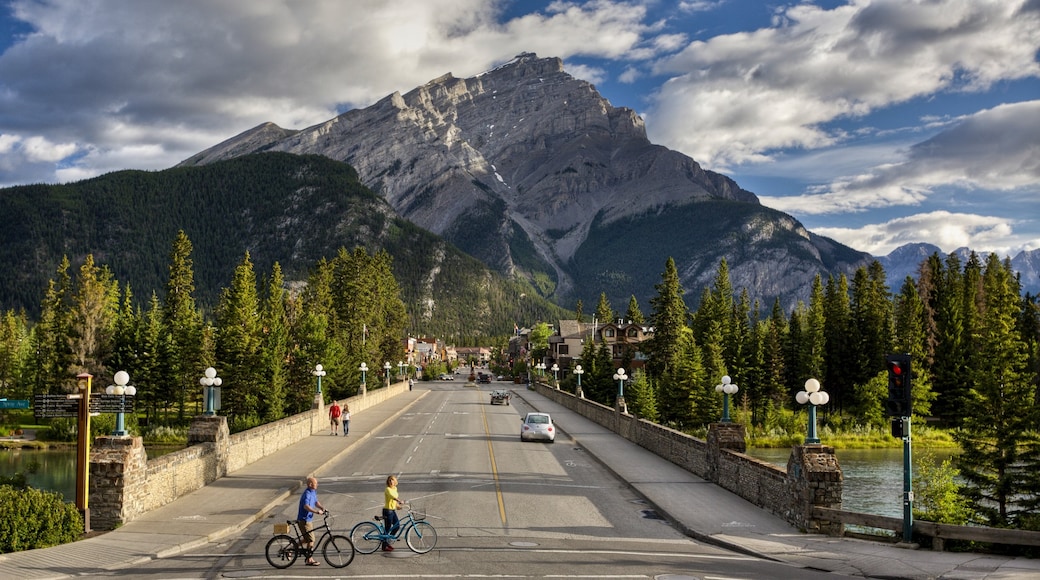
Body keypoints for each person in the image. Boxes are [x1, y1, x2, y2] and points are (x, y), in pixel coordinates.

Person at [297, 476, 326, 566]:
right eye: (315, 483)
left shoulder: (312, 492)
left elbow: (316, 502)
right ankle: (309, 560)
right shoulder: (307, 494)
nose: (317, 484)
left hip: (308, 520)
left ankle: (292, 547)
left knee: (307, 539)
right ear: (310, 484)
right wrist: (316, 511)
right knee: (311, 539)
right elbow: (306, 506)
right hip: (304, 520)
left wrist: (322, 507)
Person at [382, 474, 405, 551]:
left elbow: (393, 500)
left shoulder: (395, 488)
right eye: (390, 480)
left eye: (392, 480)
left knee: (397, 526)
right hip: (387, 511)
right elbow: (392, 497)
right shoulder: (387, 489)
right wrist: (399, 500)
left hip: (392, 510)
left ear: (395, 481)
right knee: (387, 528)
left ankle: (388, 542)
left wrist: (398, 506)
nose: (391, 481)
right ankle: (384, 545)